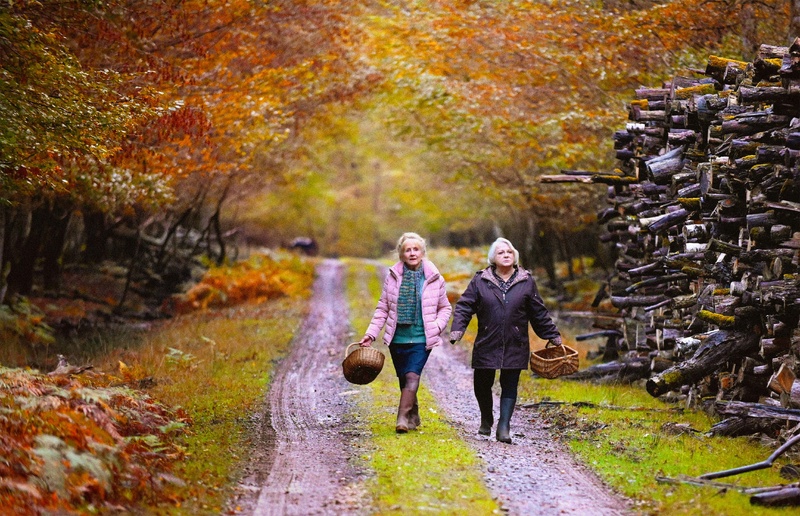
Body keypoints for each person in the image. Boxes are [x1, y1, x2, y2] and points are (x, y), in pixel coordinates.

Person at [449, 237, 562, 444]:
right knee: (482, 382)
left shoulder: (526, 280)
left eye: (509, 252)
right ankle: (486, 418)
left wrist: (552, 334)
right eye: (501, 252)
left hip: (515, 341)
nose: (506, 255)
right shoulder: (481, 280)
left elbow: (538, 311)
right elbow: (465, 305)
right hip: (487, 339)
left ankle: (504, 426)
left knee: (510, 382)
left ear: (515, 256)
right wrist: (458, 329)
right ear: (493, 258)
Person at [359, 232, 452, 433]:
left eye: (416, 249)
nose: (412, 253)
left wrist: (436, 326)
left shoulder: (434, 278)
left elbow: (445, 307)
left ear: (422, 252)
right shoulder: (393, 277)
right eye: (407, 250)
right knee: (404, 378)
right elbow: (383, 308)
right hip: (398, 338)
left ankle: (401, 418)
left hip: (421, 337)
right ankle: (413, 414)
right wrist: (371, 334)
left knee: (412, 376)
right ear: (401, 254)